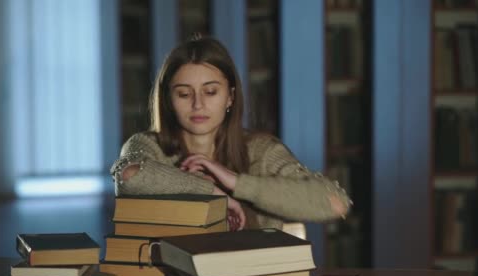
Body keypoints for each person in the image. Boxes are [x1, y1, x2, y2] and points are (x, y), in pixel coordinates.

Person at [110, 35, 352, 231]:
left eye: (211, 92)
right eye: (184, 94)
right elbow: (130, 175)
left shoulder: (261, 150)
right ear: (168, 100)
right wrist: (212, 192)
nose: (198, 104)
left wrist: (235, 182)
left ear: (230, 97)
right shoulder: (147, 145)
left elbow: (334, 203)